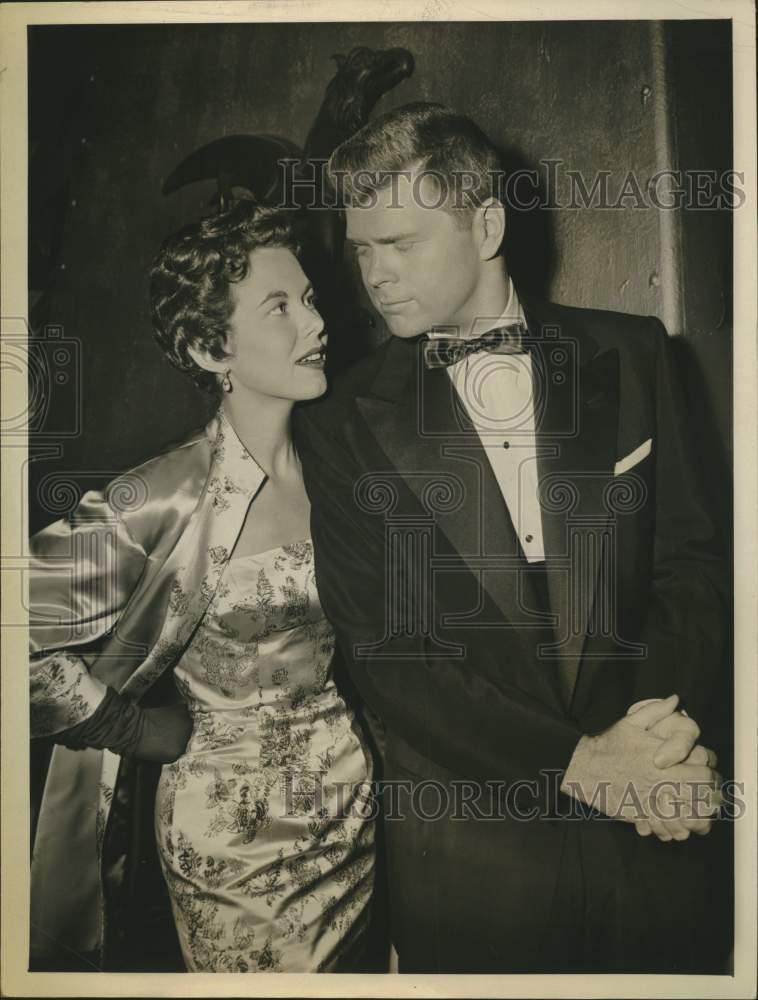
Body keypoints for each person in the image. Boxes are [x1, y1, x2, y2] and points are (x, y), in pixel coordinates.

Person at [294, 103, 730, 973]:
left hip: (658, 821)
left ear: (487, 225)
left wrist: (654, 743)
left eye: (400, 243)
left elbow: (695, 565)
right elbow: (388, 654)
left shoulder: (635, 353)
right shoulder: (338, 423)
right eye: (362, 249)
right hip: (474, 860)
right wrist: (579, 765)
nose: (376, 274)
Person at [29, 200, 377, 973]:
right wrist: (128, 727)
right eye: (279, 307)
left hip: (353, 818)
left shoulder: (338, 465)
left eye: (310, 298)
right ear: (208, 347)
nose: (316, 322)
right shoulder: (165, 492)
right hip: (236, 844)